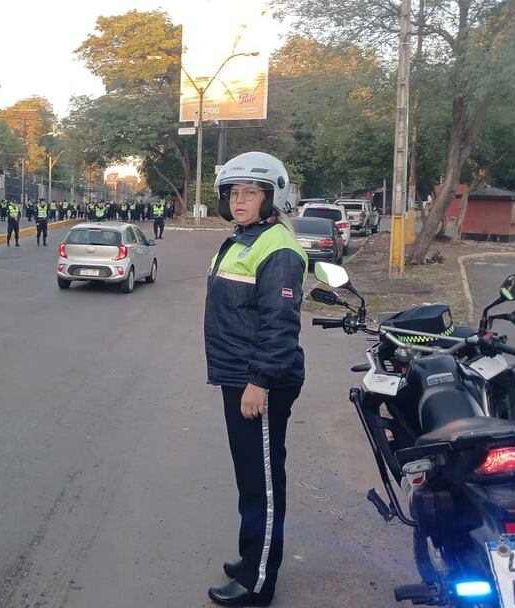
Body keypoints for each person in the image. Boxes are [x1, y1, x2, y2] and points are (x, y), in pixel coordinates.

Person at [204, 152, 307, 607]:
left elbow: (280, 325)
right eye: (233, 193)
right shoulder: (247, 238)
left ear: (272, 197)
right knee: (250, 480)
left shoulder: (278, 248)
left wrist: (260, 382)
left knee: (262, 484)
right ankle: (252, 559)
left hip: (259, 380)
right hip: (239, 375)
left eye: (250, 193)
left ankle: (257, 582)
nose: (239, 200)